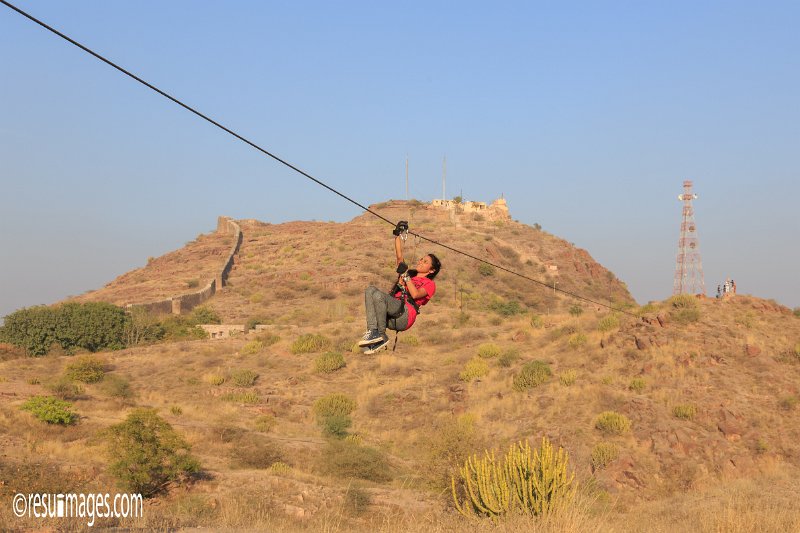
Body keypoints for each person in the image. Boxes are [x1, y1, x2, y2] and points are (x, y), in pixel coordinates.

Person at [358, 221, 440, 354]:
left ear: (431, 270)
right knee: (370, 290)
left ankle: (381, 335)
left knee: (378, 296)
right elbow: (399, 257)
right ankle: (374, 332)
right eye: (421, 259)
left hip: (405, 316)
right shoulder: (409, 274)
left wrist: (406, 278)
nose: (420, 262)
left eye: (425, 262)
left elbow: (415, 295)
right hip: (391, 313)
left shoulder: (430, 284)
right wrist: (397, 234)